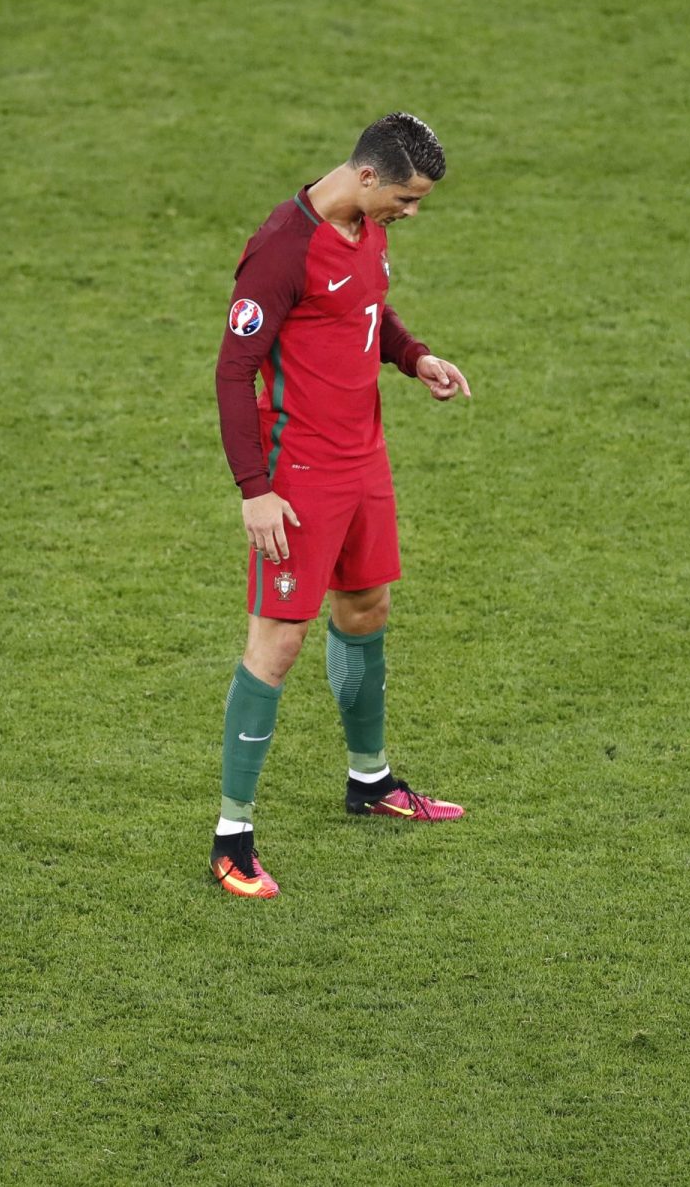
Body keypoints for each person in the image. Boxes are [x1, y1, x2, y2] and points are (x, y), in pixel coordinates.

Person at [208, 112, 471, 899]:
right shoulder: (281, 250)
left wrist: (414, 355)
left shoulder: (365, 227)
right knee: (277, 643)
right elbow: (232, 371)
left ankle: (370, 779)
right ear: (366, 176)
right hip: (300, 474)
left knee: (365, 609)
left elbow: (365, 314)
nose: (411, 213)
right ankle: (232, 836)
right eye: (407, 198)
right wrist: (256, 492)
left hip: (366, 463)